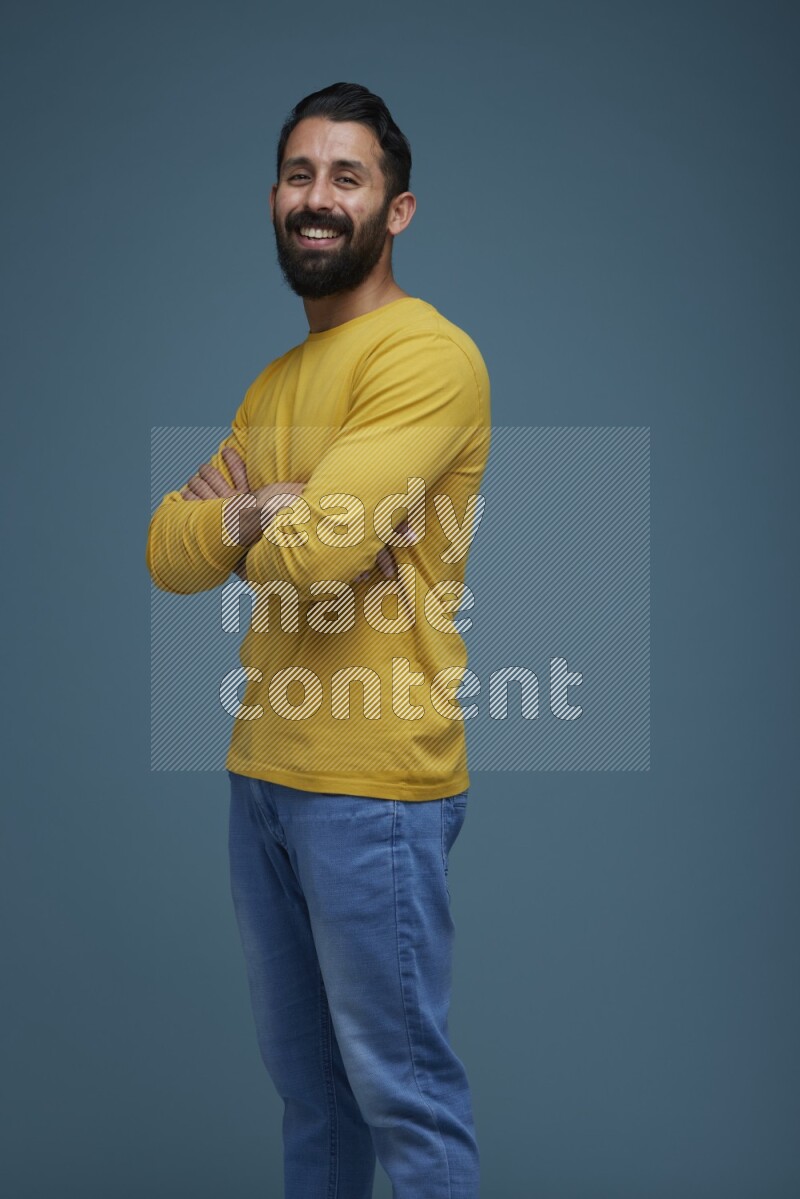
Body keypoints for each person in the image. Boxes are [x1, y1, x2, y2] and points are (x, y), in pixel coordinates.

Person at [146, 81, 490, 1199]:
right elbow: (168, 551)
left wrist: (259, 521)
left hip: (372, 785)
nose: (318, 196)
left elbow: (313, 558)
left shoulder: (425, 358)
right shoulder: (278, 380)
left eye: (347, 176)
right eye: (300, 174)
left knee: (403, 1092)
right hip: (264, 773)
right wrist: (259, 511)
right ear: (273, 199)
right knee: (312, 1097)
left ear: (396, 209)